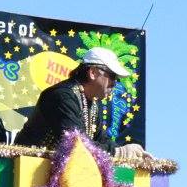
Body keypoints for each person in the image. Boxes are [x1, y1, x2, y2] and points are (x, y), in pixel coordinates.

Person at [15, 47, 149, 160]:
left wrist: (128, 151)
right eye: (113, 76)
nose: (115, 83)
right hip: (26, 170)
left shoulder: (93, 104)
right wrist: (119, 153)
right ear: (93, 73)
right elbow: (77, 143)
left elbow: (101, 140)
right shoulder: (61, 96)